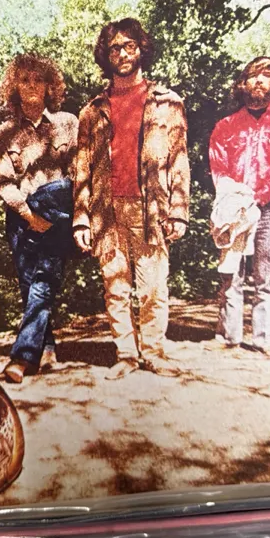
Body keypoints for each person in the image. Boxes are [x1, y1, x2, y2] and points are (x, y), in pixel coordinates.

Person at [73, 19, 190, 379]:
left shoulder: (167, 103)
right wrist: (81, 218)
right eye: (114, 48)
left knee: (153, 286)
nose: (122, 54)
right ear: (105, 55)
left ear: (141, 49)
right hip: (106, 211)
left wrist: (179, 210)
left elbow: (179, 159)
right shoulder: (92, 110)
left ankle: (154, 352)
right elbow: (82, 167)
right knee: (116, 286)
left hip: (151, 209)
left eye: (129, 46)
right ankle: (126, 354)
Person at [0, 54, 78, 384]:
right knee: (30, 284)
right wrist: (29, 215)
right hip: (20, 216)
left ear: (50, 87)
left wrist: (67, 216)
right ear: (14, 87)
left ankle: (23, 356)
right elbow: (3, 182)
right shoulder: (4, 133)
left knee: (44, 279)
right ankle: (48, 347)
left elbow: (78, 174)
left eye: (38, 80)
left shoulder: (67, 123)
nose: (31, 86)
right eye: (24, 80)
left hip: (56, 216)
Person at [208, 56, 270, 355]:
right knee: (231, 274)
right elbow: (218, 168)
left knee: (265, 276)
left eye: (267, 75)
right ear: (242, 83)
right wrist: (235, 199)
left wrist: (259, 197)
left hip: (269, 208)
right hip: (232, 209)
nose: (260, 80)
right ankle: (229, 336)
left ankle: (263, 338)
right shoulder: (225, 126)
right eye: (253, 75)